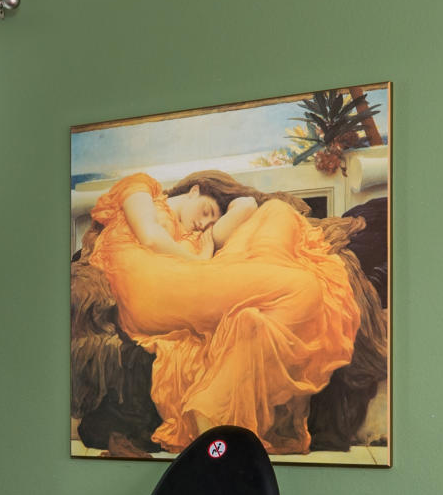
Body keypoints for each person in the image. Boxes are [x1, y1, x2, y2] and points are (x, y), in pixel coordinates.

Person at [84, 169, 361, 455]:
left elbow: (248, 207)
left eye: (212, 221)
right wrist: (197, 260)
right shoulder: (141, 187)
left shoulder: (194, 236)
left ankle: (211, 408)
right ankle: (213, 407)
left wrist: (227, 214)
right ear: (195, 190)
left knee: (275, 219)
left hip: (173, 289)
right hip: (149, 287)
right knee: (303, 287)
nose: (204, 222)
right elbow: (151, 237)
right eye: (206, 210)